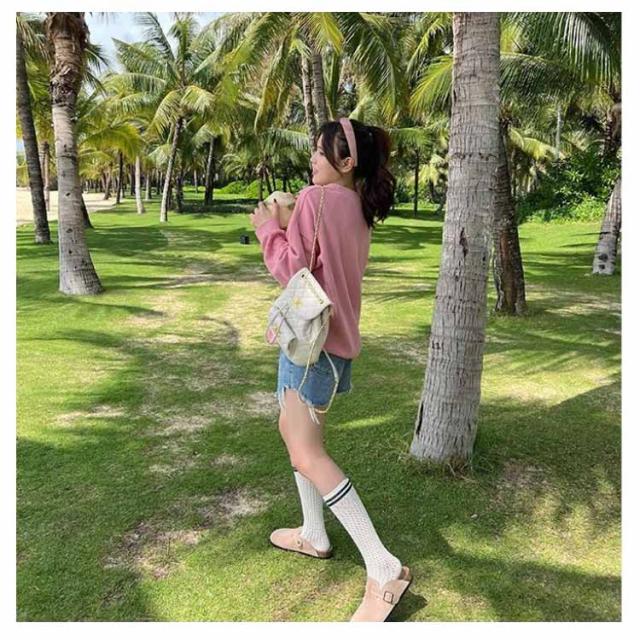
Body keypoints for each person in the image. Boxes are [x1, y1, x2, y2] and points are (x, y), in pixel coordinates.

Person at [248, 118, 412, 622]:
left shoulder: (316, 199)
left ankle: (383, 566)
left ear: (345, 161)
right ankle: (313, 532)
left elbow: (292, 271)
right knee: (293, 433)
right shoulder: (356, 206)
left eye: (320, 153)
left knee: (307, 451)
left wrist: (268, 228)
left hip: (310, 347)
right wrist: (291, 220)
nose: (312, 160)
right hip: (333, 346)